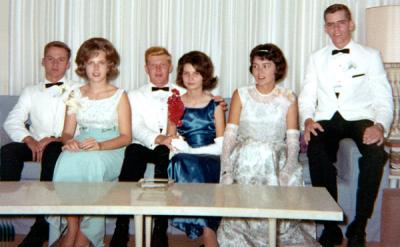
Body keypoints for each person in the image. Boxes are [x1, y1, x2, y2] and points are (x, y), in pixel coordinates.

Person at [110, 47, 226, 247]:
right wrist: (158, 138)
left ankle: (160, 230)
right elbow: (134, 125)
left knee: (167, 157)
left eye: (162, 64)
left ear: (171, 67)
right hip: (146, 143)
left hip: (173, 146)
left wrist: (218, 101)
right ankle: (121, 228)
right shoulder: (133, 95)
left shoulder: (184, 91)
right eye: (153, 65)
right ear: (146, 68)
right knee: (132, 153)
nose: (158, 69)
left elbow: (204, 105)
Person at [298, 4, 393, 247]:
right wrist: (307, 119)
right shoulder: (316, 58)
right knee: (316, 149)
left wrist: (380, 126)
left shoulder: (370, 55)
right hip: (327, 117)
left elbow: (383, 98)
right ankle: (330, 227)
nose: (336, 29)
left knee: (376, 153)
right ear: (325, 28)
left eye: (340, 22)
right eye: (330, 24)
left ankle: (359, 225)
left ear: (351, 24)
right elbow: (307, 96)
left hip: (359, 117)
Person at [217, 43, 318, 246]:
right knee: (254, 151)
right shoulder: (241, 94)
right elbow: (230, 134)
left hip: (275, 156)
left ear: (276, 68)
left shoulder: (288, 98)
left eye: (265, 65)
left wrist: (289, 167)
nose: (259, 71)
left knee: (263, 153)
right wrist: (226, 167)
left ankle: (271, 235)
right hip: (244, 154)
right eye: (255, 66)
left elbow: (292, 139)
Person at [47, 37, 132, 247]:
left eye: (101, 62)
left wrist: (101, 145)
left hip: (111, 145)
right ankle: (73, 226)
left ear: (109, 66)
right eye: (91, 62)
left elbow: (126, 137)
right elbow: (67, 132)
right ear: (83, 65)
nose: (96, 68)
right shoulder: (75, 94)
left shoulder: (120, 95)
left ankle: (86, 234)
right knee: (65, 160)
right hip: (82, 141)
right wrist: (70, 142)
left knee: (93, 162)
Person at [0, 41, 80, 246]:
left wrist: (53, 140)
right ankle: (6, 208)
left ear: (68, 64)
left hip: (63, 144)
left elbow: (81, 126)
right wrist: (30, 140)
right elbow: (12, 121)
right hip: (33, 144)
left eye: (61, 59)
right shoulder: (31, 91)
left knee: (53, 150)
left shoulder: (77, 90)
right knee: (8, 151)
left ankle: (42, 225)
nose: (55, 64)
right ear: (43, 61)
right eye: (51, 59)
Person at [166, 51, 225, 247]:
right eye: (186, 73)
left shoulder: (215, 104)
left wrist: (193, 152)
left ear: (204, 76)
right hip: (184, 157)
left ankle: (207, 234)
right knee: (182, 161)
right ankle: (209, 234)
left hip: (211, 156)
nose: (190, 78)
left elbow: (223, 144)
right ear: (180, 76)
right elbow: (171, 137)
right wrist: (179, 145)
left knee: (190, 163)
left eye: (196, 73)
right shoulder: (175, 103)